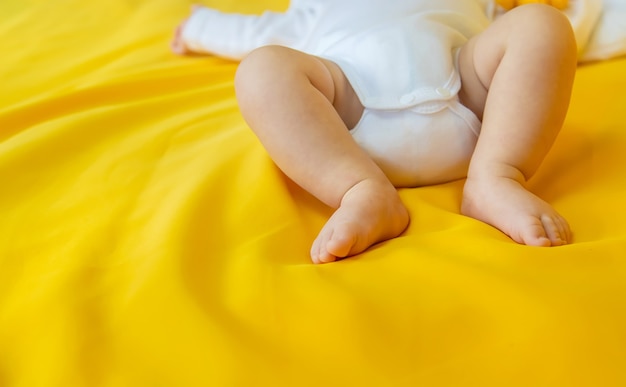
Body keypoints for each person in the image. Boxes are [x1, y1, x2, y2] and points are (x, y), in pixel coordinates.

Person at [172, 0, 576, 264]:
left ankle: (496, 176)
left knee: (543, 24)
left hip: (474, 105)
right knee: (261, 70)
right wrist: (199, 26)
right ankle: (360, 190)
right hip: (347, 116)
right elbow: (256, 33)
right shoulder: (316, 7)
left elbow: (554, 38)